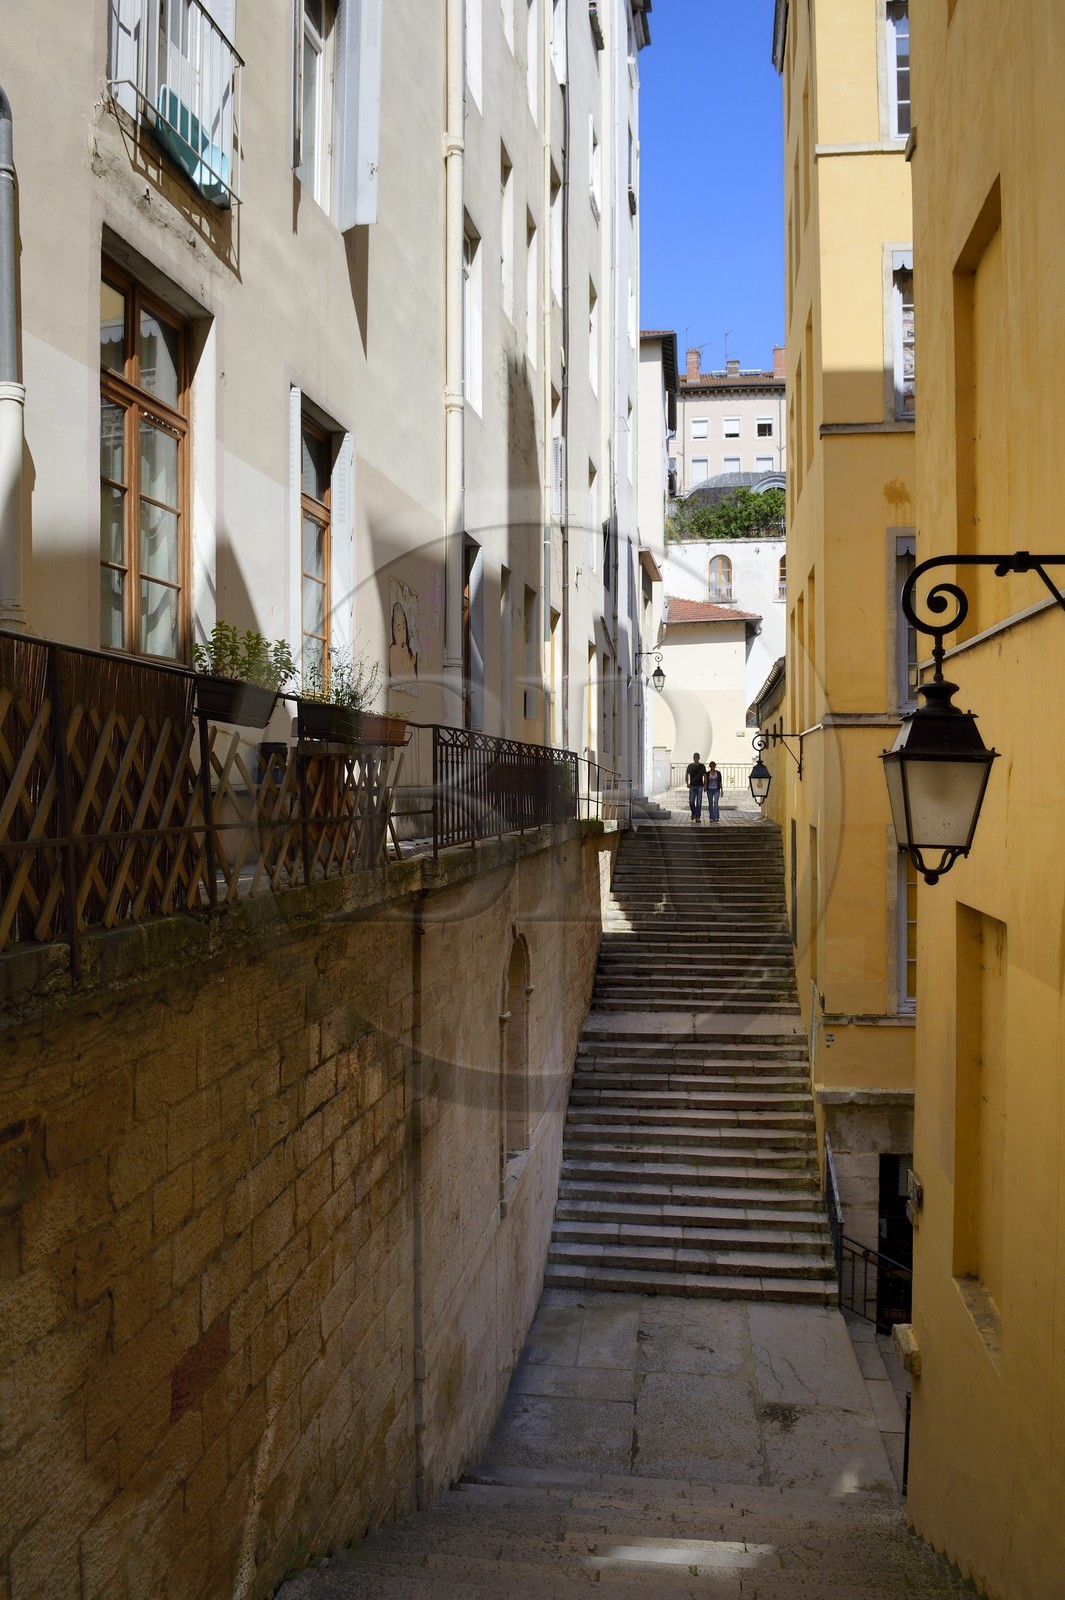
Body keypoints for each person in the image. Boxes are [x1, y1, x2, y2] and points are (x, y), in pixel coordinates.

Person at [685, 752, 707, 821]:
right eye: (695, 758)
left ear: (699, 758)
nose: (696, 759)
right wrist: (687, 783)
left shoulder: (702, 766)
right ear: (693, 758)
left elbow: (705, 776)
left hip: (700, 786)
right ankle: (693, 813)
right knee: (691, 801)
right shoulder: (690, 766)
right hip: (692, 786)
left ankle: (698, 817)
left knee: (699, 802)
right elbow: (687, 774)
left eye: (697, 758)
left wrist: (705, 784)